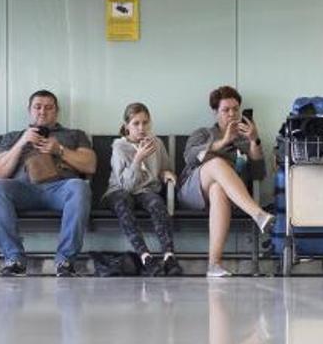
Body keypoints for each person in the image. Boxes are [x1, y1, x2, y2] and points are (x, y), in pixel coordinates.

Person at [0, 90, 96, 277]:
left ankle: (65, 261)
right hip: (24, 190)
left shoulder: (74, 134)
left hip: (60, 189)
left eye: (48, 107)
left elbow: (90, 165)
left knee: (80, 186)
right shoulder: (14, 136)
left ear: (56, 111)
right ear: (29, 110)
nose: (42, 111)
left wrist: (59, 149)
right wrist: (22, 142)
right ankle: (14, 259)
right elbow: (0, 173)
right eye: (37, 107)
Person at [179, 86, 274, 278]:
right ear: (216, 112)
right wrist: (223, 142)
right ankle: (258, 214)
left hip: (226, 198)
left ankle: (214, 264)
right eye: (226, 110)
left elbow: (258, 175)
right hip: (193, 190)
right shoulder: (204, 133)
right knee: (216, 163)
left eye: (235, 109)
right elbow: (189, 158)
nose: (232, 114)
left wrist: (254, 141)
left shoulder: (245, 140)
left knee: (218, 189)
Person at [103, 103, 182, 276]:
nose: (141, 128)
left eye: (145, 123)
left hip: (145, 191)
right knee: (123, 201)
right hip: (120, 191)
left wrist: (165, 173)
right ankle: (145, 257)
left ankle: (169, 256)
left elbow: (163, 169)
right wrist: (138, 159)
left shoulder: (157, 143)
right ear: (127, 126)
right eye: (136, 123)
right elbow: (127, 186)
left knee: (156, 202)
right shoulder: (119, 147)